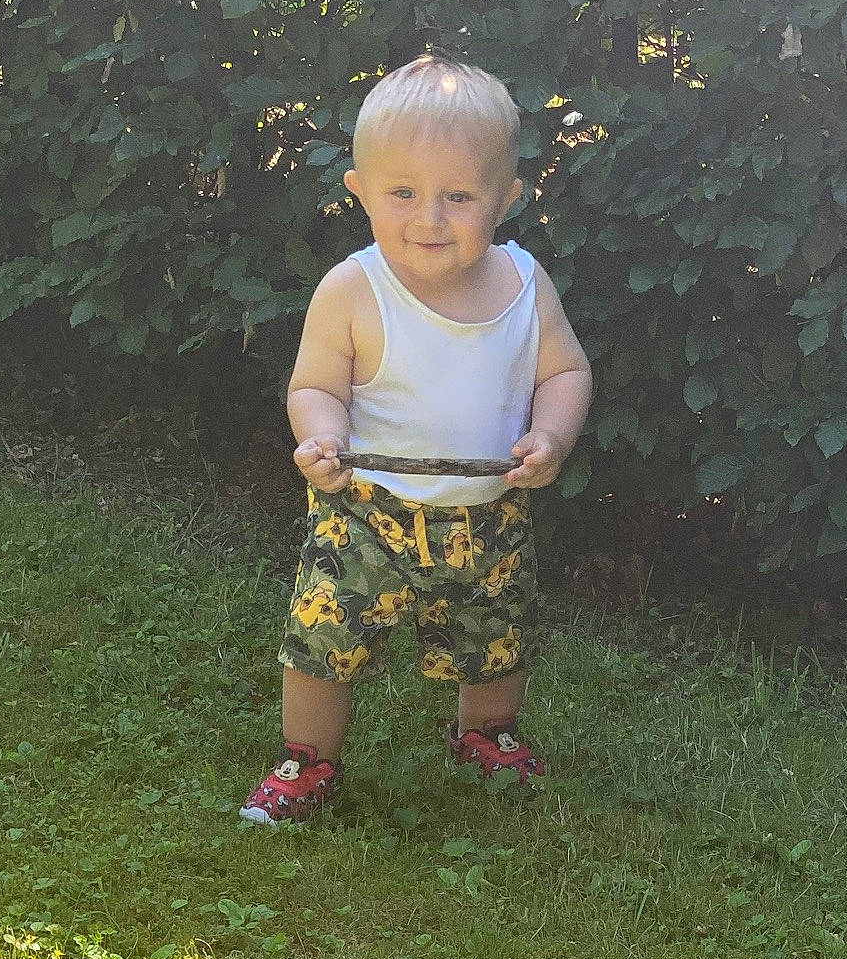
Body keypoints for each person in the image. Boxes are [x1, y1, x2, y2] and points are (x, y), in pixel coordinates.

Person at [240, 54, 593, 825]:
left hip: (488, 509)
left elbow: (566, 371)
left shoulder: (525, 286)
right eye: (402, 193)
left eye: (459, 196)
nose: (428, 218)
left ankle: (486, 731)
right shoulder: (353, 289)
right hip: (365, 509)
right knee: (326, 632)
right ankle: (308, 758)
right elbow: (314, 386)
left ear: (507, 198)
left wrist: (550, 436)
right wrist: (322, 440)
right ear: (359, 191)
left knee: (497, 632)